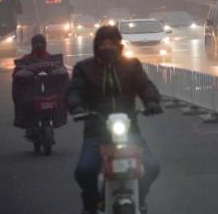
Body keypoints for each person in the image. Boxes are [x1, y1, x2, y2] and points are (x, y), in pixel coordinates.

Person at [66, 25, 162, 214]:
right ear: (96, 45)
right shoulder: (83, 69)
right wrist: (76, 107)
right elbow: (75, 91)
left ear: (119, 44)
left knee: (151, 167)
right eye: (103, 43)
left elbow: (145, 85)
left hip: (130, 130)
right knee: (85, 170)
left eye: (111, 42)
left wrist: (151, 102)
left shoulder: (132, 65)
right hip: (97, 131)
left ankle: (140, 200)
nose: (107, 46)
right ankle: (91, 202)